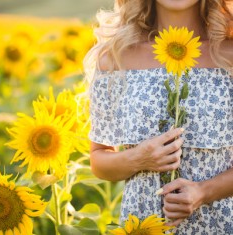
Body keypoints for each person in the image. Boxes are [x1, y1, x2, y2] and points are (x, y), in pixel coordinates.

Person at [84, 0, 233, 234]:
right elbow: (99, 160)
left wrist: (204, 191)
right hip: (142, 225)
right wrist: (138, 159)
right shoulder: (115, 57)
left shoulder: (229, 55)